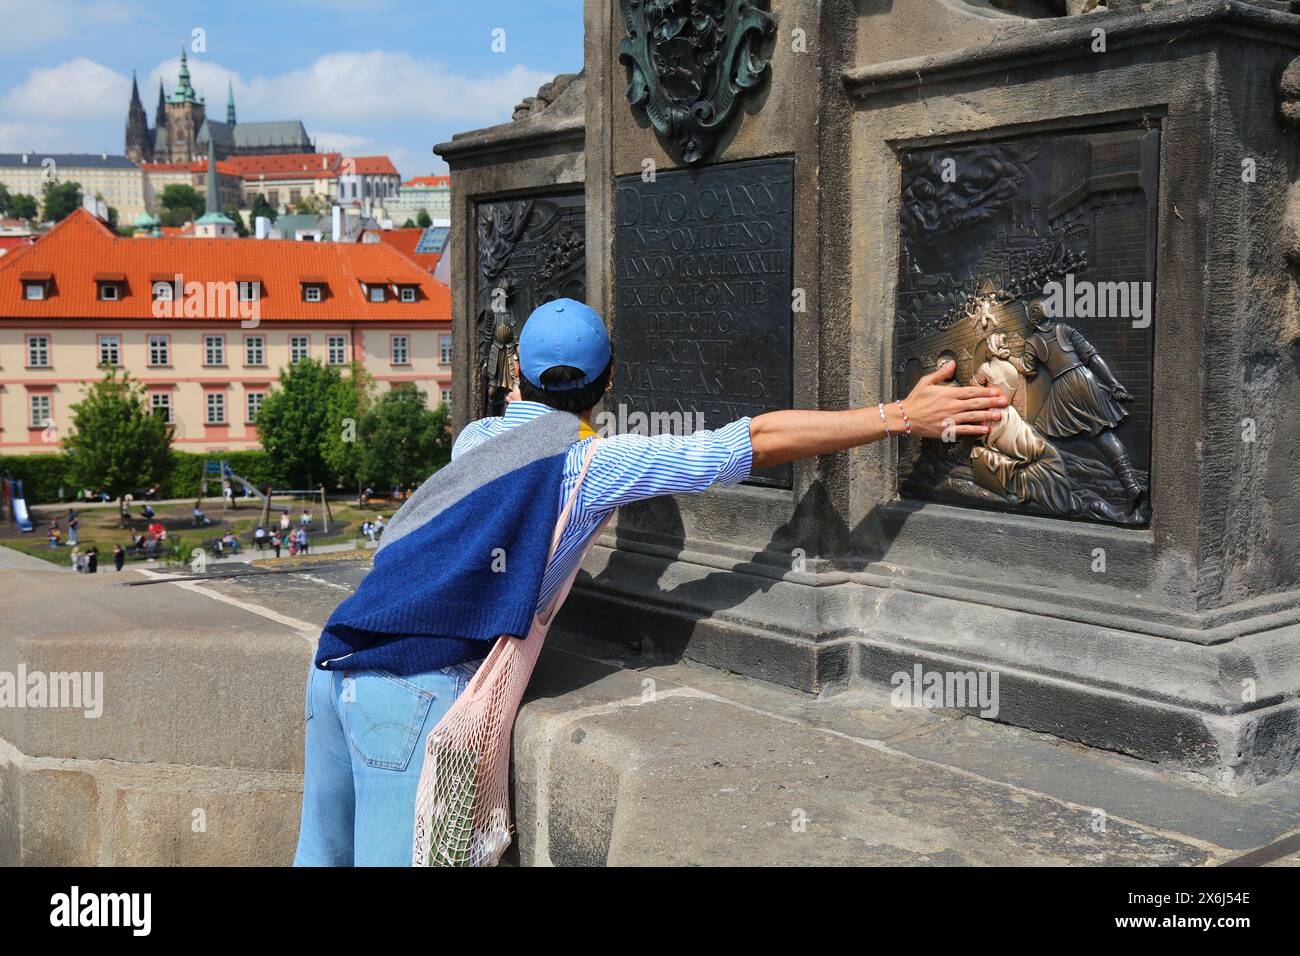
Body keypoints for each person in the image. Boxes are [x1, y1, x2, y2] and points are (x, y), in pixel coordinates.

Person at [294, 298, 1007, 867]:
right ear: (609, 382)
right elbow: (748, 442)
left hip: (336, 664)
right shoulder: (593, 465)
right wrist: (903, 416)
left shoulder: (476, 441)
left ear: (517, 377)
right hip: (412, 688)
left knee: (318, 858)